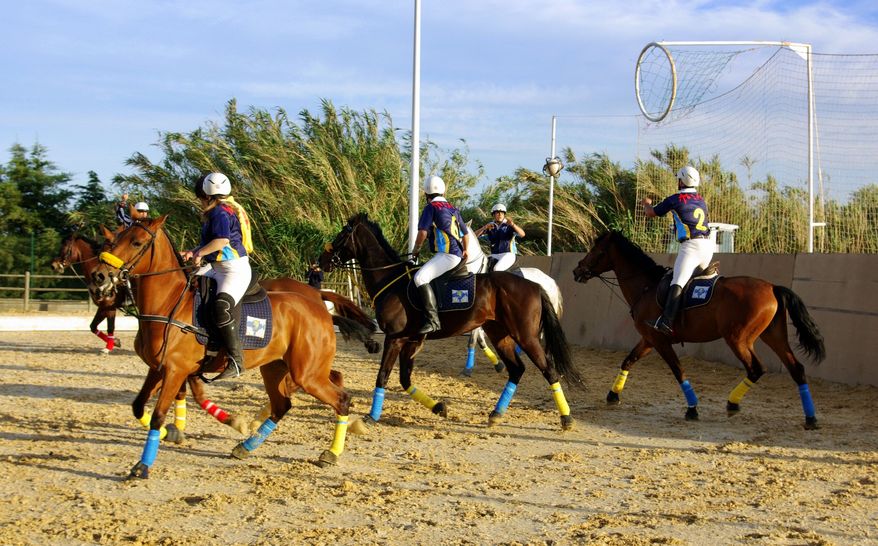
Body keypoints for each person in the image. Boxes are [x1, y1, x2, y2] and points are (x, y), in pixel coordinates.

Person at [181, 172, 254, 380]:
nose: (200, 202)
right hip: (217, 267)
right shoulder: (220, 210)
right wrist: (193, 251)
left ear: (206, 195)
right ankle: (209, 345)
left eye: (200, 198)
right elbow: (209, 243)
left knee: (222, 308)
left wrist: (199, 254)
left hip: (233, 269)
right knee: (188, 283)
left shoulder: (220, 212)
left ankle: (236, 360)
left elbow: (222, 241)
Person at [642, 165, 713, 335]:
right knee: (694, 282)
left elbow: (651, 213)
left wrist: (646, 204)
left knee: (678, 281)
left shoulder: (675, 199)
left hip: (691, 248)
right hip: (708, 246)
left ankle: (666, 322)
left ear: (681, 181)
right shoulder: (701, 199)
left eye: (678, 179)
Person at [411, 175, 469, 334]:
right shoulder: (453, 208)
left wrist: (416, 250)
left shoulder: (431, 207)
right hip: (454, 254)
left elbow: (422, 233)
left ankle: (433, 321)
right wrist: (465, 249)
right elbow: (465, 234)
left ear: (426, 194)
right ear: (443, 192)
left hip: (447, 255)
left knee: (419, 278)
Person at [474, 203, 525, 271]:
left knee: (497, 269)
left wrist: (513, 225)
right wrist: (484, 227)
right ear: (493, 215)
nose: (500, 214)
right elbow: (474, 236)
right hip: (494, 254)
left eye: (502, 213)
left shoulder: (509, 225)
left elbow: (522, 234)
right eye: (497, 213)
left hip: (508, 254)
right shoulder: (490, 226)